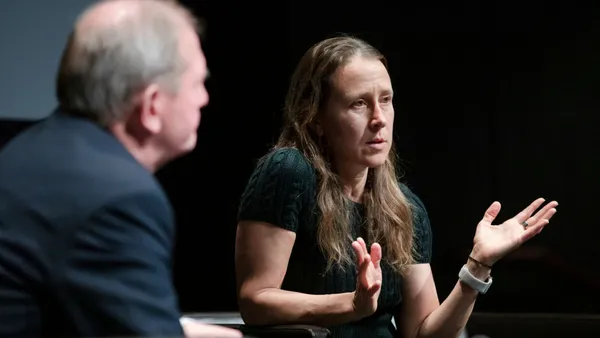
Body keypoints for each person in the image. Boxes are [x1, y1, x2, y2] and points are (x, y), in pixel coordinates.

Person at [234, 35, 558, 338]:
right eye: (359, 103)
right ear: (315, 118)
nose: (379, 118)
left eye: (386, 100)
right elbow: (255, 301)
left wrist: (478, 266)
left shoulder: (404, 207)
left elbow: (422, 332)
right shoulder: (289, 172)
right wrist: (351, 304)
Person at [0, 0, 241, 337]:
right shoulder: (117, 199)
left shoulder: (28, 150)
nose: (204, 99)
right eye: (198, 83)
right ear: (152, 106)